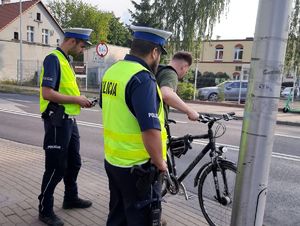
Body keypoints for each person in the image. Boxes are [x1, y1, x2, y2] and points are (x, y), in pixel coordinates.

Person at [99, 25, 172, 226]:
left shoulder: (112, 72)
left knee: (117, 215)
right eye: (160, 54)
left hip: (114, 161)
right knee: (142, 220)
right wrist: (160, 162)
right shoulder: (143, 79)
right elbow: (149, 129)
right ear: (155, 52)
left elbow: (107, 107)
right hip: (138, 169)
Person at [38, 28, 94, 226]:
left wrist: (80, 100)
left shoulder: (66, 60)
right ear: (71, 41)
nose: (82, 49)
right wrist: (76, 99)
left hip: (70, 119)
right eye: (81, 45)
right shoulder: (53, 59)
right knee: (55, 167)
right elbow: (47, 93)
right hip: (57, 120)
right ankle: (45, 210)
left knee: (74, 162)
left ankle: (70, 198)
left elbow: (66, 90)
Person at [156, 51, 199, 121]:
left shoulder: (158, 70)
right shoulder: (170, 73)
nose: (186, 73)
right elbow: (166, 94)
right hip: (155, 123)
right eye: (187, 70)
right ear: (184, 67)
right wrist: (190, 111)